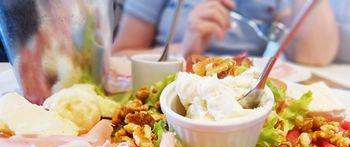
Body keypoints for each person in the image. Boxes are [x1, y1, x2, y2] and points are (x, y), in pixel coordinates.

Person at [113, 0, 338, 66]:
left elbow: (314, 55)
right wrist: (182, 50)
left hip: (245, 94)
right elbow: (118, 55)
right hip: (169, 83)